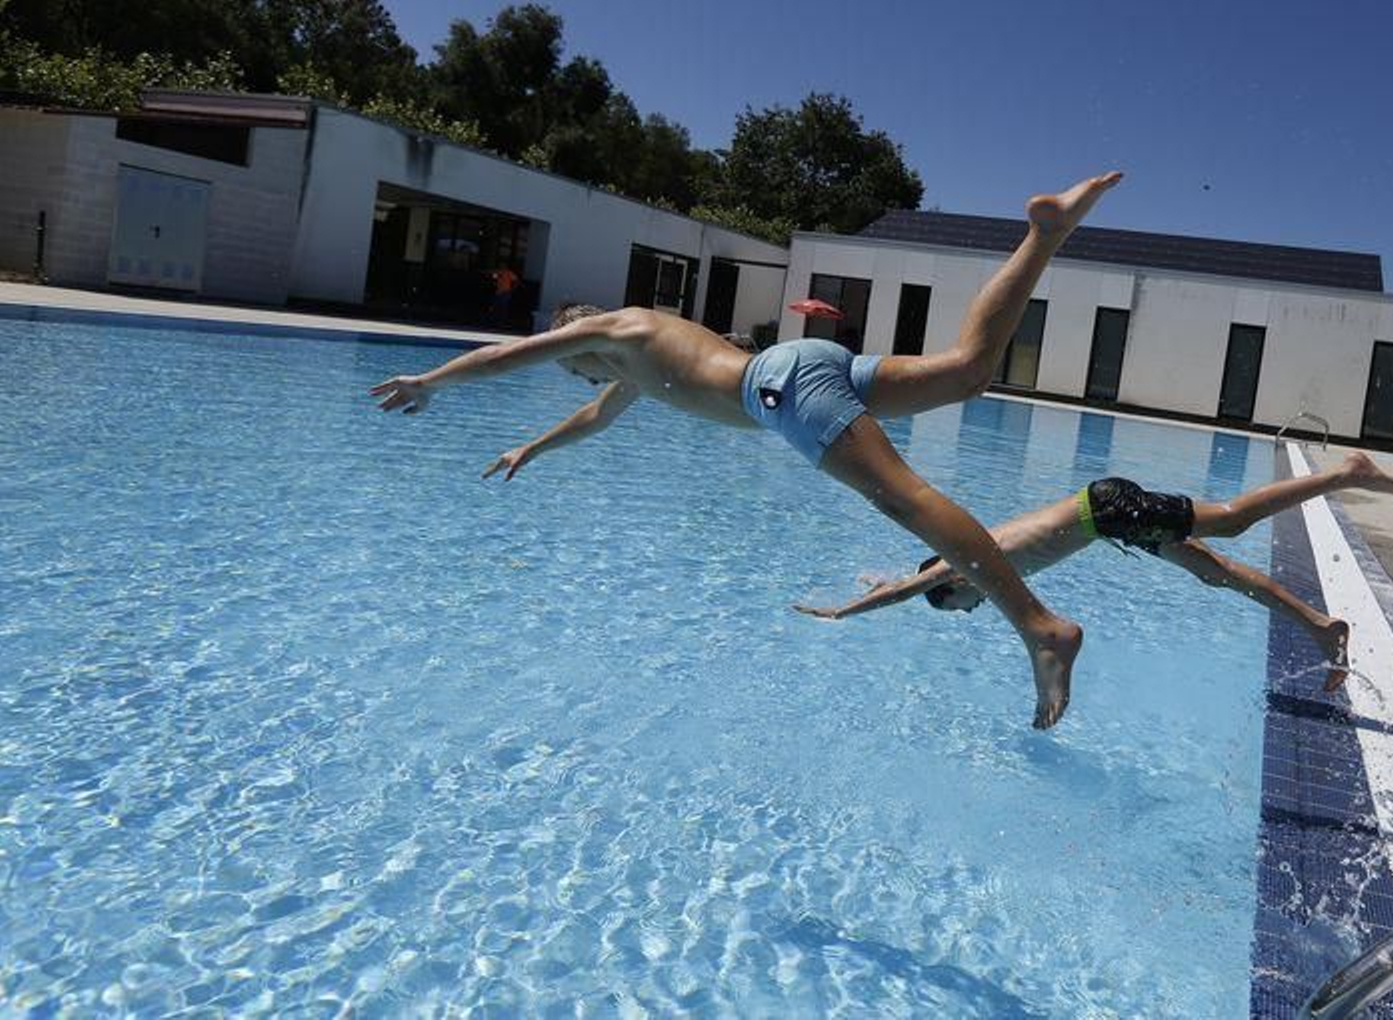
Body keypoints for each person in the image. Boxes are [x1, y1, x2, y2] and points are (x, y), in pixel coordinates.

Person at [371, 171, 1123, 729]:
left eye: (573, 364)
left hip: (781, 388)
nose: (579, 375)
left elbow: (508, 355)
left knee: (906, 499)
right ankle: (1045, 233)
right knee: (967, 371)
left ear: (576, 337)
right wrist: (531, 449)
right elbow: (595, 418)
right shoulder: (637, 361)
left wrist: (431, 381)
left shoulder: (616, 329)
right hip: (806, 365)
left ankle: (1040, 628)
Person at [795, 453, 1393, 691]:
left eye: (968, 604)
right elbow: (909, 580)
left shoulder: (967, 563)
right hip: (1110, 521)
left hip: (1109, 510)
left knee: (1231, 521)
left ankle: (1345, 473)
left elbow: (913, 584)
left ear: (953, 585)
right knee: (1217, 571)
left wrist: (843, 611)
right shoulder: (969, 558)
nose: (981, 605)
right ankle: (1322, 627)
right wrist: (879, 580)